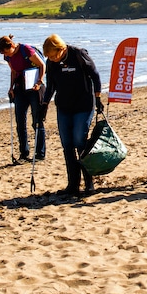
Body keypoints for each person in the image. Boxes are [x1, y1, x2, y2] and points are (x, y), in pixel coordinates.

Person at [41, 34, 103, 196]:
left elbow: (95, 75)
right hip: (64, 107)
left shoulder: (78, 55)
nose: (52, 59)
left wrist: (98, 97)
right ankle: (73, 185)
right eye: (49, 57)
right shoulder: (51, 63)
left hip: (83, 105)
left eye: (54, 55)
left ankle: (89, 183)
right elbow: (50, 86)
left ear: (61, 49)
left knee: (79, 141)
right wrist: (44, 105)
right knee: (67, 145)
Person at [0, 35, 48, 164]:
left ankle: (40, 153)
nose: (6, 55)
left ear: (12, 46)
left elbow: (42, 65)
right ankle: (23, 153)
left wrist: (39, 82)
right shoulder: (8, 56)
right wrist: (11, 88)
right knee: (20, 122)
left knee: (37, 121)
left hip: (35, 88)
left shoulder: (26, 50)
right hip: (20, 88)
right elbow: (13, 71)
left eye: (6, 52)